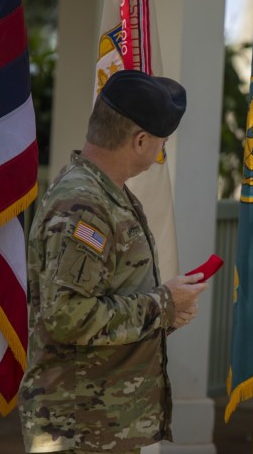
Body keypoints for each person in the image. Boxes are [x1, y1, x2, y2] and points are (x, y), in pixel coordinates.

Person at [18, 70, 208, 454]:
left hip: (101, 424)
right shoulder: (83, 205)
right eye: (161, 142)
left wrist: (165, 314)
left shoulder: (104, 192)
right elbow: (67, 316)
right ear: (140, 140)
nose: (160, 152)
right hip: (76, 428)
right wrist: (162, 304)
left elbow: (105, 297)